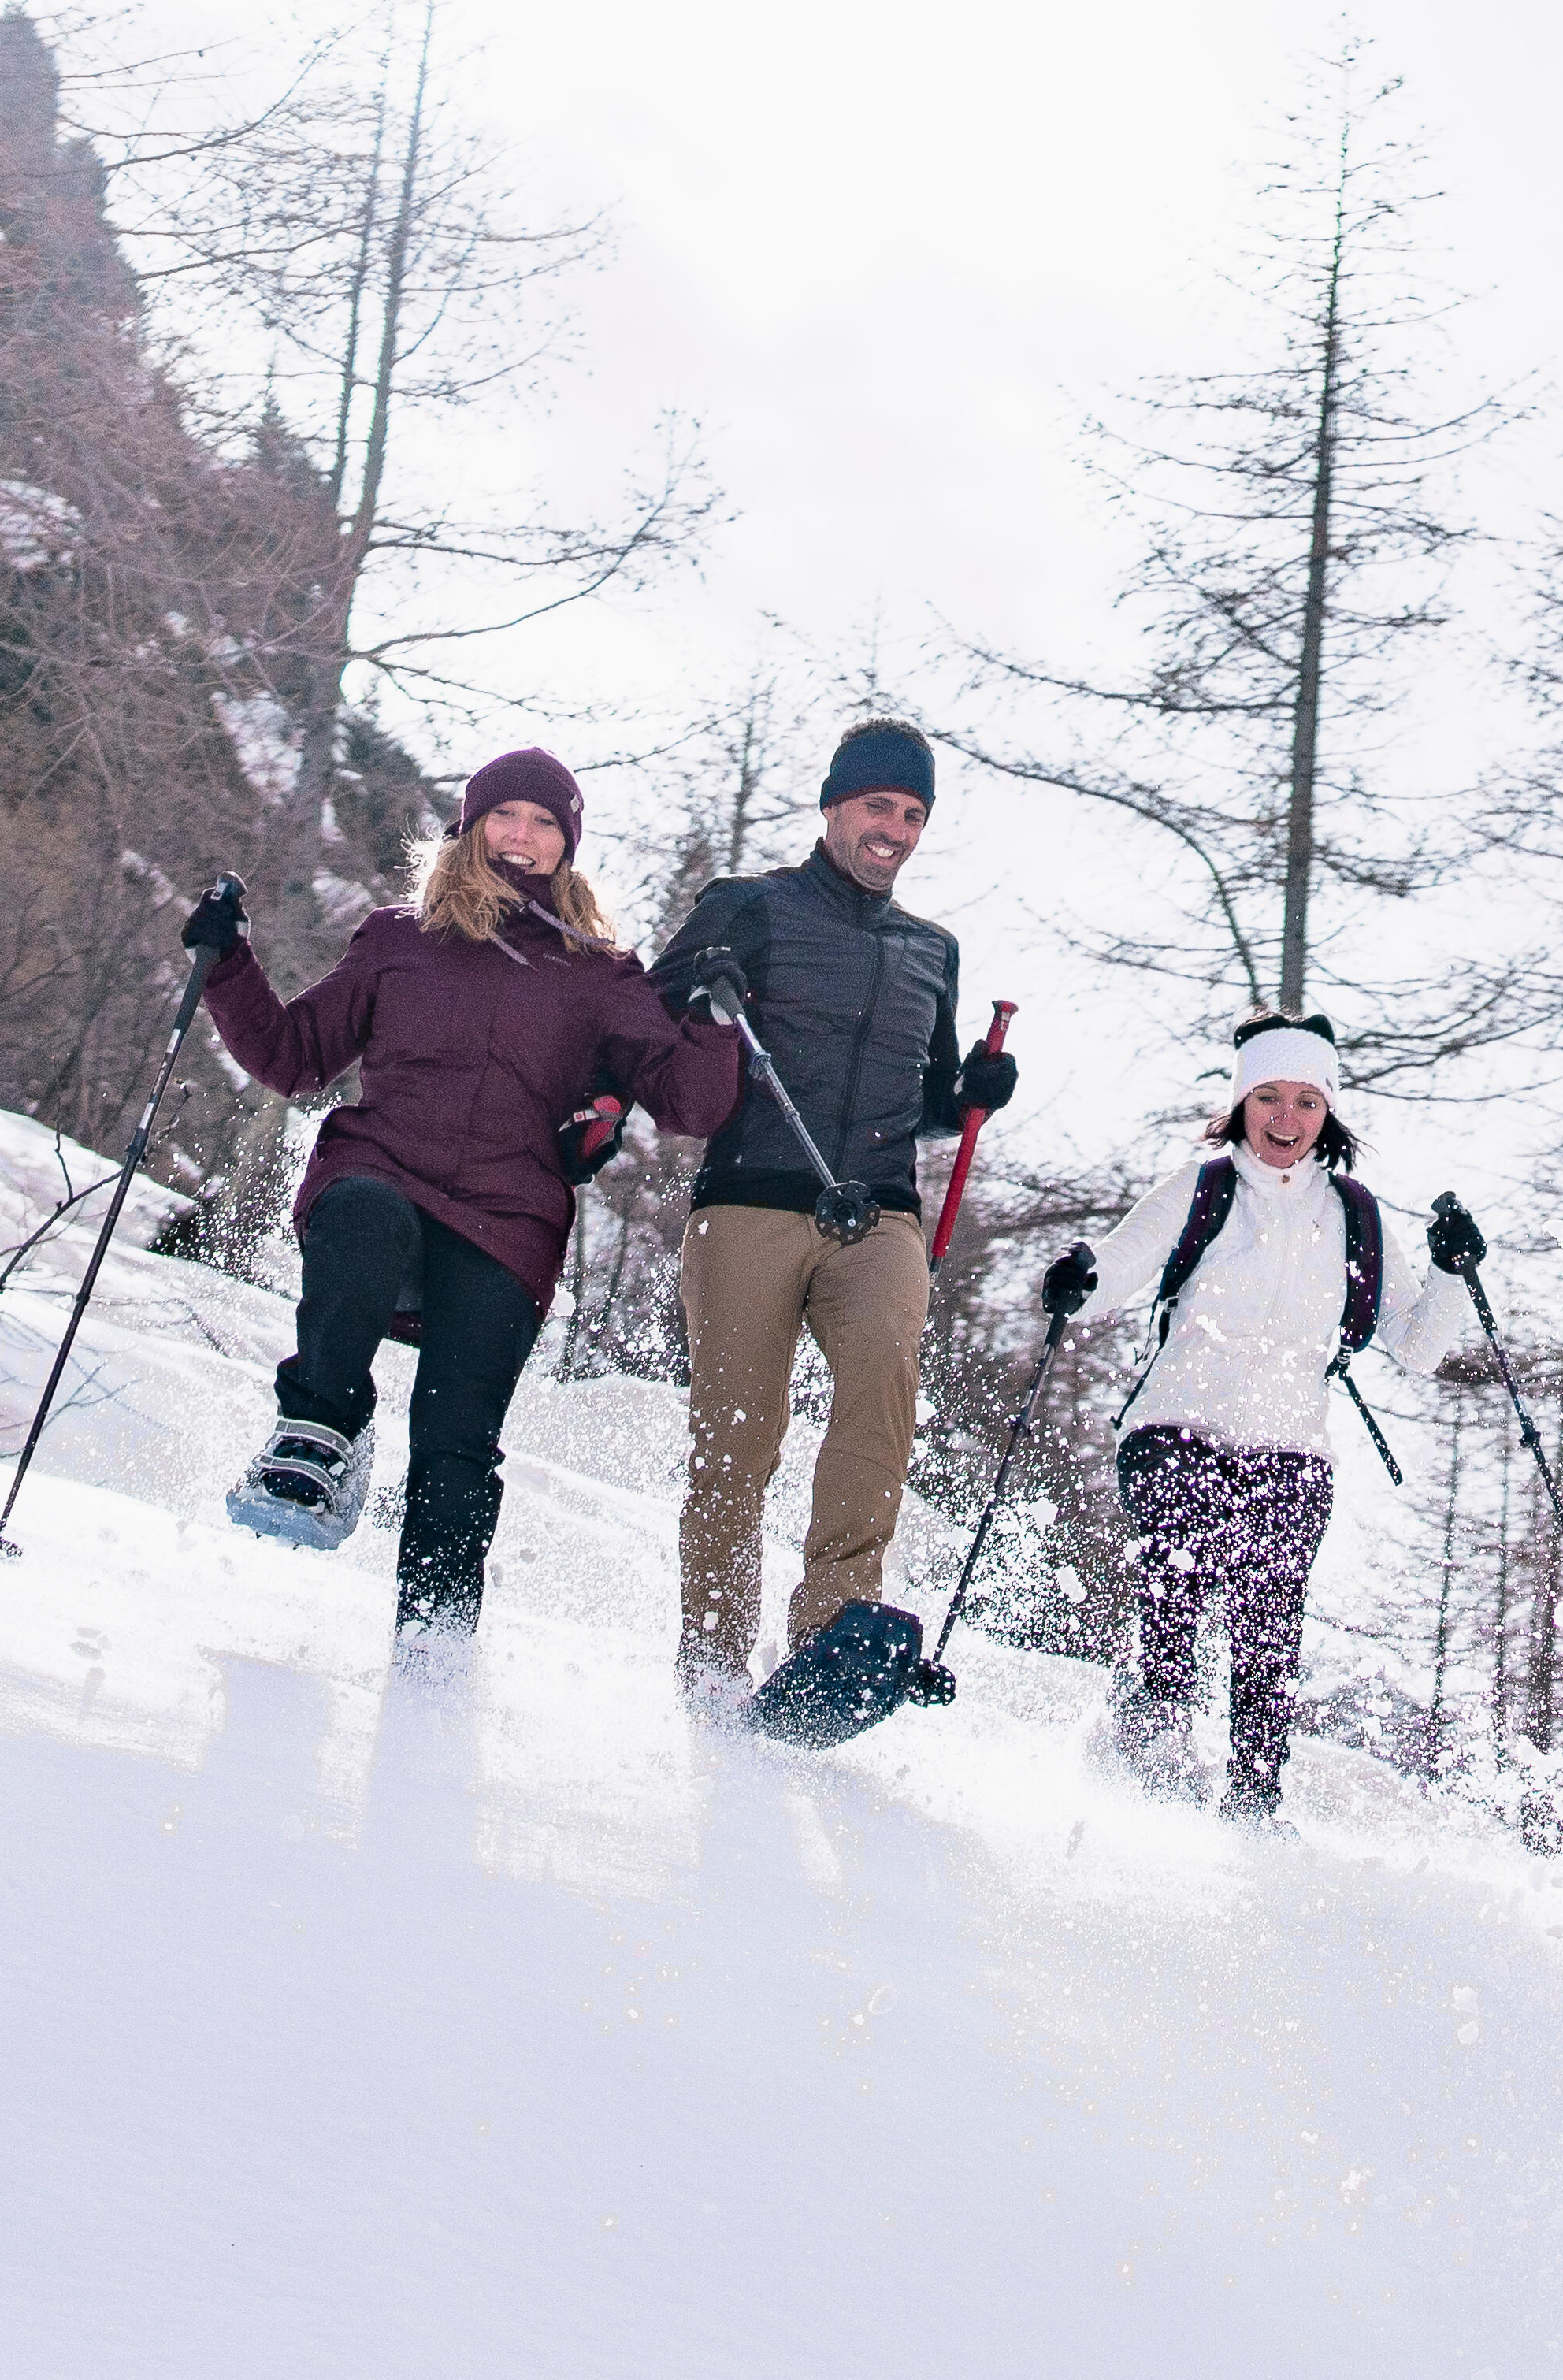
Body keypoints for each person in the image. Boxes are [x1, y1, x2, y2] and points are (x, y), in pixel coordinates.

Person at [195, 748, 737, 1633]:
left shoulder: (598, 970)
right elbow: (293, 1056)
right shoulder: (397, 937)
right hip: (385, 1168)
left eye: (544, 823)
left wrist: (712, 1026)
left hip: (506, 1218)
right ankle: (320, 1431)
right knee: (362, 1215)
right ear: (469, 828)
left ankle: (435, 1647)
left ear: (567, 846)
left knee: (456, 1441)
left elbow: (689, 1102)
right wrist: (228, 965)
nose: (522, 837)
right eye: (505, 816)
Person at [646, 719, 1022, 1695]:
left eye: (911, 813)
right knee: (740, 1429)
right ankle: (716, 1655)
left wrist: (974, 1091)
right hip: (752, 1198)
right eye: (876, 806)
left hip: (880, 1213)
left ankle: (832, 1624)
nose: (892, 827)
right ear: (833, 806)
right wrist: (703, 980)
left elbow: (928, 1102)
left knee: (883, 1379)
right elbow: (654, 1008)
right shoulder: (750, 905)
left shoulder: (930, 950)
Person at [1044, 1015, 1486, 1816]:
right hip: (1177, 1428)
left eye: (1307, 1100)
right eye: (1271, 1096)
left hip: (1290, 1449)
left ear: (1329, 1112)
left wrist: (1453, 1273)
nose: (1287, 1118)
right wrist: (1076, 1279)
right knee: (1176, 1588)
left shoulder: (1354, 1212)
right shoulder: (1202, 1186)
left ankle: (1252, 1804)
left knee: (1268, 1633)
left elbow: (1417, 1347)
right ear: (1243, 1102)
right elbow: (1116, 1270)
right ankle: (1150, 1757)